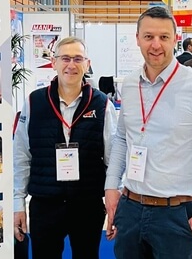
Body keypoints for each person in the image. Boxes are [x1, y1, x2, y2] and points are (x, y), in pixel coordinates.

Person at [104, 6, 192, 259]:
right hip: (130, 208)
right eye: (148, 36)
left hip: (174, 214)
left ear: (175, 39)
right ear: (137, 39)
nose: (156, 45)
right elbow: (122, 138)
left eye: (164, 37)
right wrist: (111, 186)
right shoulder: (131, 84)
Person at [13, 36, 117, 259]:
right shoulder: (34, 102)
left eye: (78, 59)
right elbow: (21, 156)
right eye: (66, 58)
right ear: (54, 62)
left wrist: (114, 203)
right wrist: (17, 203)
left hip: (87, 204)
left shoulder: (102, 104)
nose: (71, 64)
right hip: (45, 205)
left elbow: (114, 160)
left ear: (87, 64)